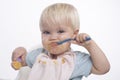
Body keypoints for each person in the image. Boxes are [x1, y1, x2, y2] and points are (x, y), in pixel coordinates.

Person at [11, 3, 110, 80]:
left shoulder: (76, 60)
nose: (53, 37)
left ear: (74, 34)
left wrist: (90, 45)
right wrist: (19, 55)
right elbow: (20, 63)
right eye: (46, 32)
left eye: (60, 31)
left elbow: (103, 69)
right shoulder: (38, 55)